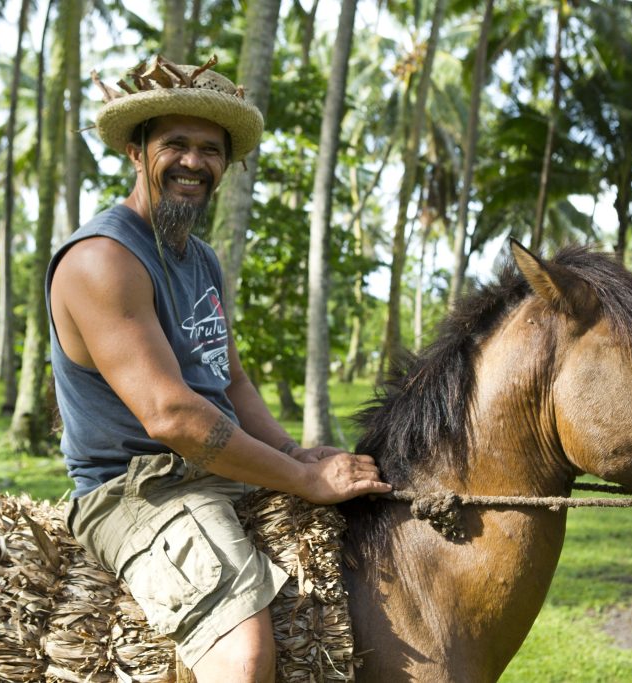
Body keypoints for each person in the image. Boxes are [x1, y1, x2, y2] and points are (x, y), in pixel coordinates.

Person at [45, 56, 391, 683]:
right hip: (139, 488)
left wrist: (292, 451)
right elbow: (171, 415)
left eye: (210, 150)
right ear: (134, 150)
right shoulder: (103, 260)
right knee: (245, 655)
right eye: (175, 144)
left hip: (212, 469)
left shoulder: (197, 257)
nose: (194, 163)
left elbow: (226, 378)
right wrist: (300, 479)